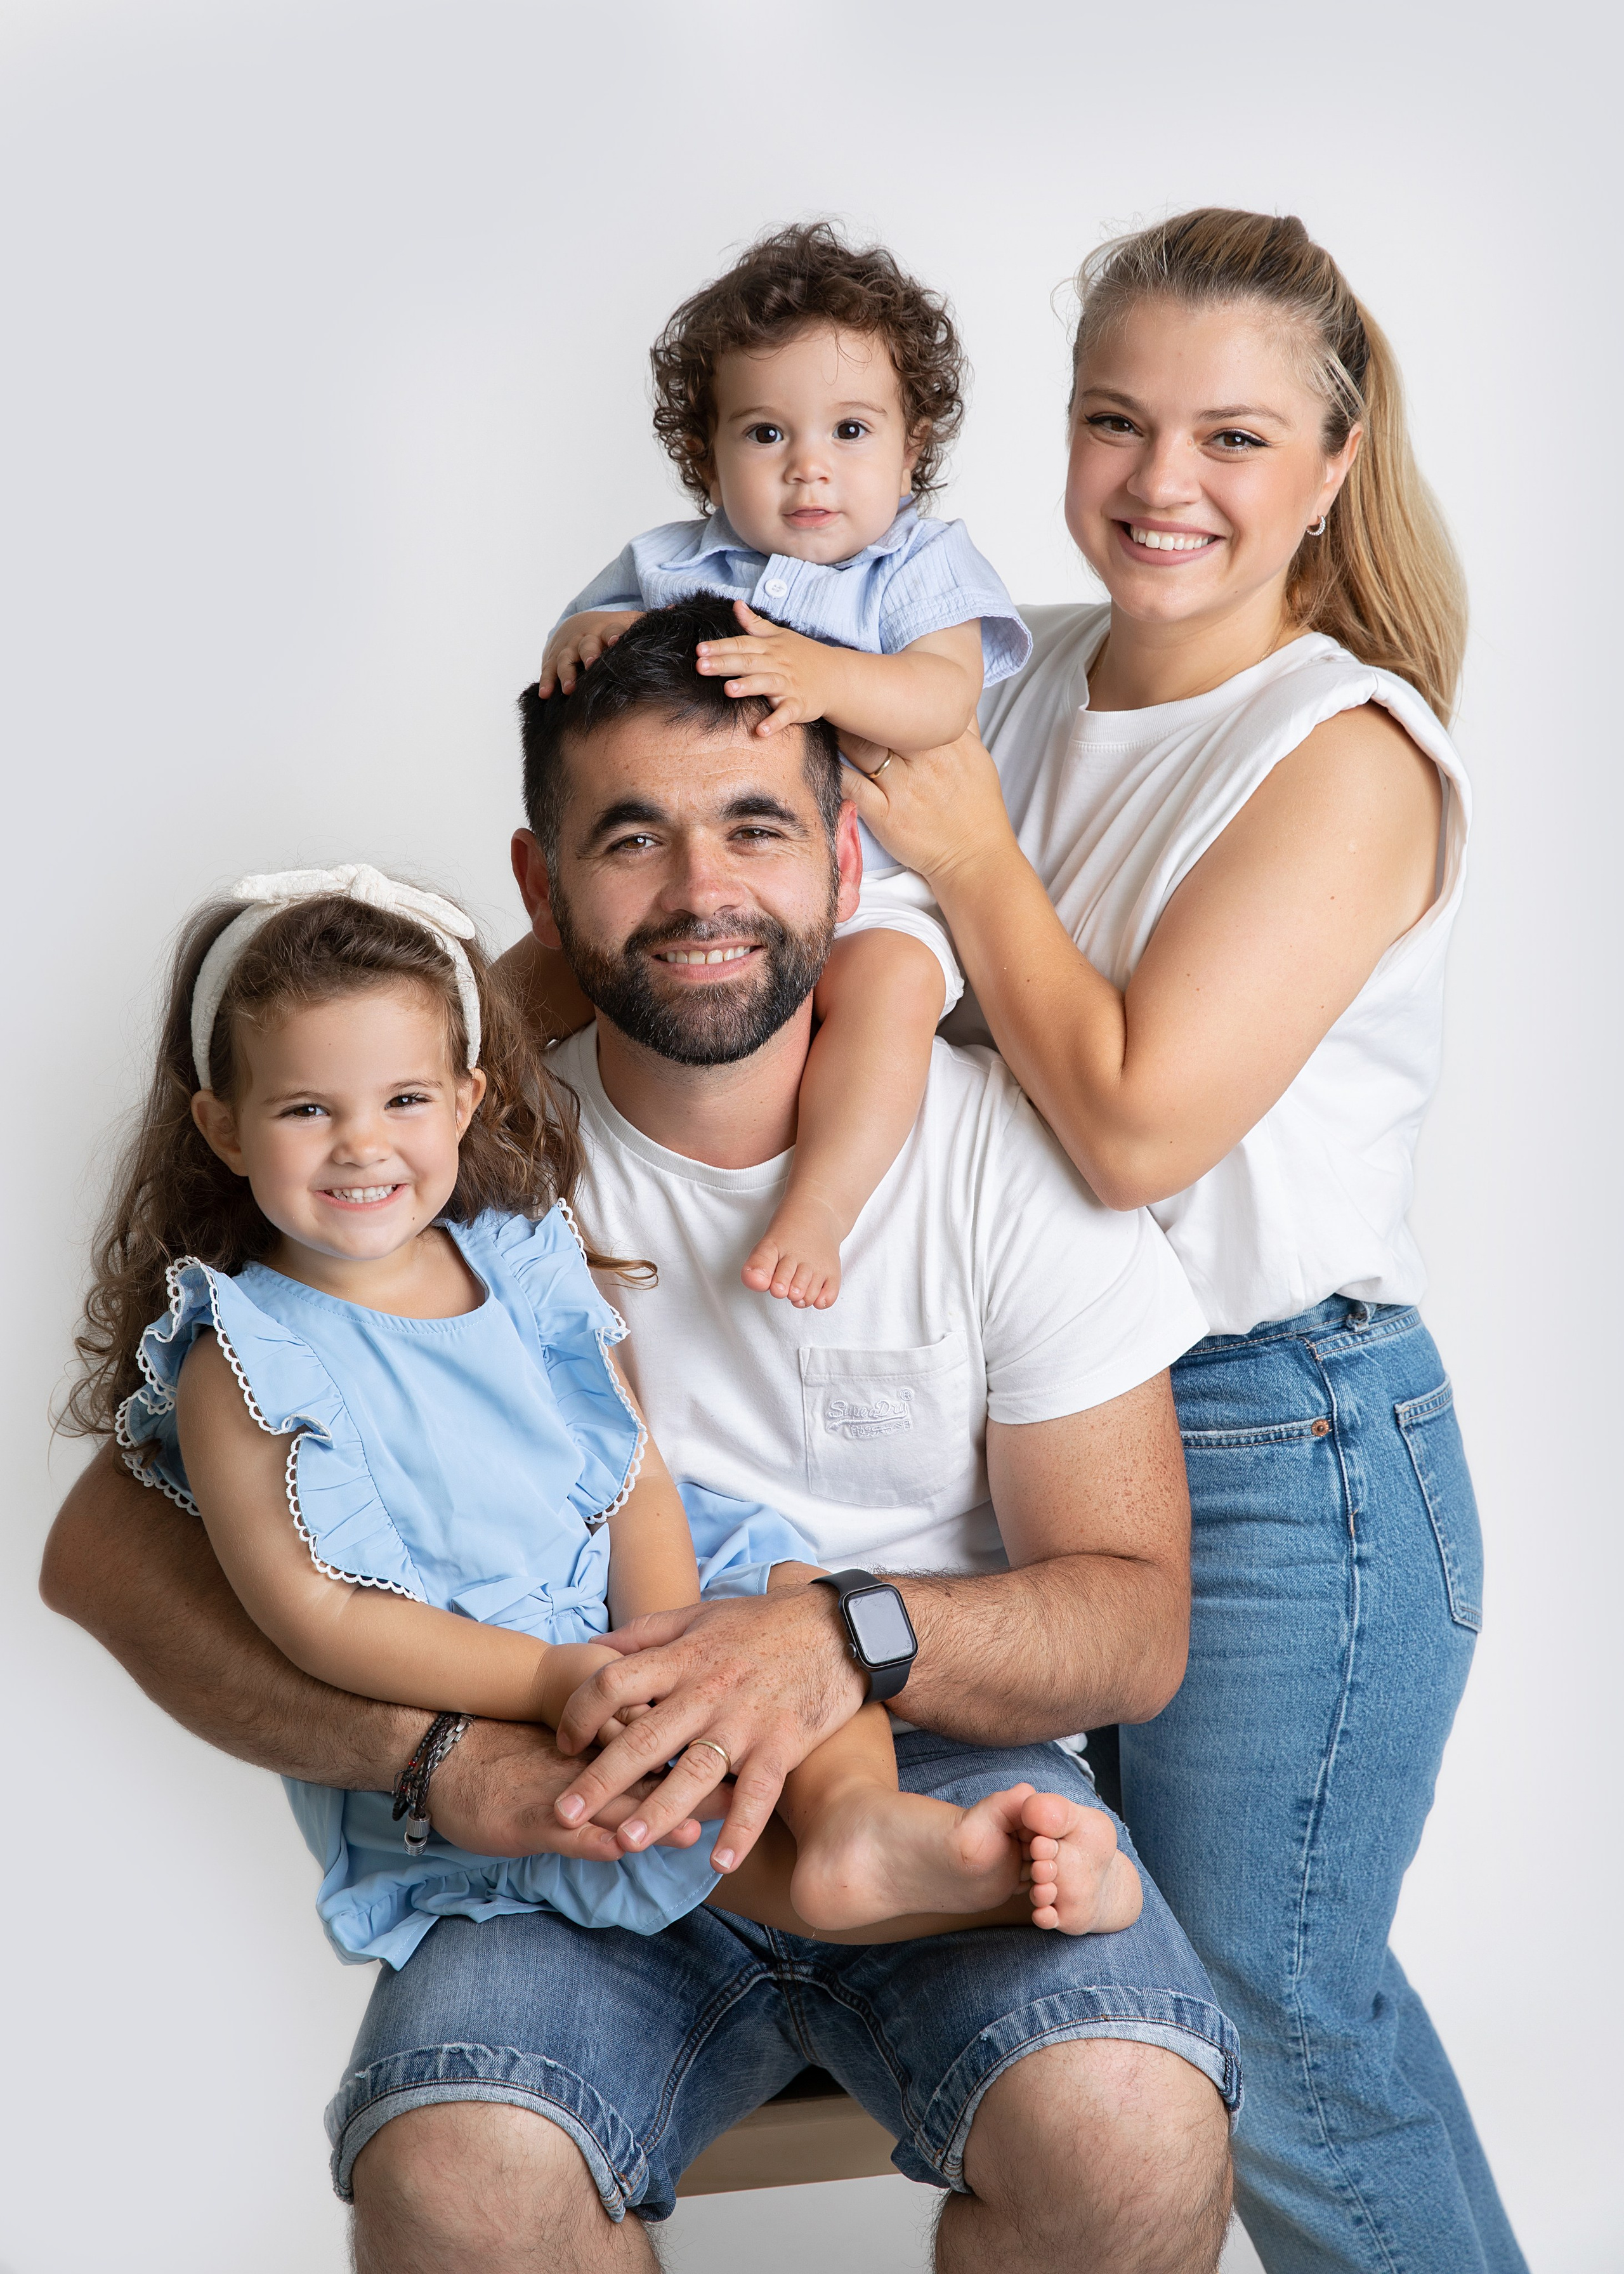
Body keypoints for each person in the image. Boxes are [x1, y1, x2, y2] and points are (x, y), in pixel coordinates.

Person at [43, 600, 1240, 2274]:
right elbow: (102, 1551)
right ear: (541, 888)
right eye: (632, 840)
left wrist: (837, 1642)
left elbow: (1132, 1618)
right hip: (564, 1799)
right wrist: (445, 1758)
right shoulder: (428, 1175)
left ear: (842, 860)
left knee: (1130, 2130)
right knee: (464, 2176)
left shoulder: (997, 1163)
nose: (701, 894)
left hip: (921, 1775)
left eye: (757, 827)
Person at [839, 207, 1525, 2274]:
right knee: (1126, 2021)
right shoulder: (1017, 671)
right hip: (1037, 1438)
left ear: (1331, 461)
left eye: (1232, 436)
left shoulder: (1347, 751)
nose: (1161, 484)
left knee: (1274, 2020)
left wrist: (965, 850)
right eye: (1116, 421)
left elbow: (1134, 1122)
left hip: (1271, 1444)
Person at [71, 860, 1127, 1954]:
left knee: (788, 1587)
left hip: (626, 1602)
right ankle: (935, 1885)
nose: (362, 1146)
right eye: (305, 1109)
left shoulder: (518, 1255)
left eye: (404, 1100)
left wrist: (666, 1649)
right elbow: (318, 1617)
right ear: (226, 1126)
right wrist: (552, 1678)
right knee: (625, 1800)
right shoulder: (243, 1357)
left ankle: (859, 1821)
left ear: (467, 1099)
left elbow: (637, 1471)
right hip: (480, 1668)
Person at [537, 221, 1031, 1311]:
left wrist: (823, 677)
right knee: (572, 963)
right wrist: (581, 638)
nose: (810, 465)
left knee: (887, 996)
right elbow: (598, 626)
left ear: (913, 452)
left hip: (882, 884)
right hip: (718, 883)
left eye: (851, 430)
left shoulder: (917, 567)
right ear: (706, 458)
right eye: (765, 433)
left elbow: (940, 696)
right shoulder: (683, 559)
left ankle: (820, 1204)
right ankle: (476, 1120)